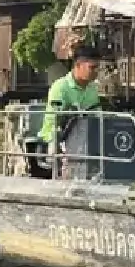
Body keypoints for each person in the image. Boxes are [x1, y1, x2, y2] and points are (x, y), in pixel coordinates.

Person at [34, 44, 103, 178]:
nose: (95, 72)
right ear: (78, 66)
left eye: (97, 68)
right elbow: (54, 120)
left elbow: (96, 115)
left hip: (84, 137)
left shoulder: (92, 89)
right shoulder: (60, 87)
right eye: (92, 68)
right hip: (58, 137)